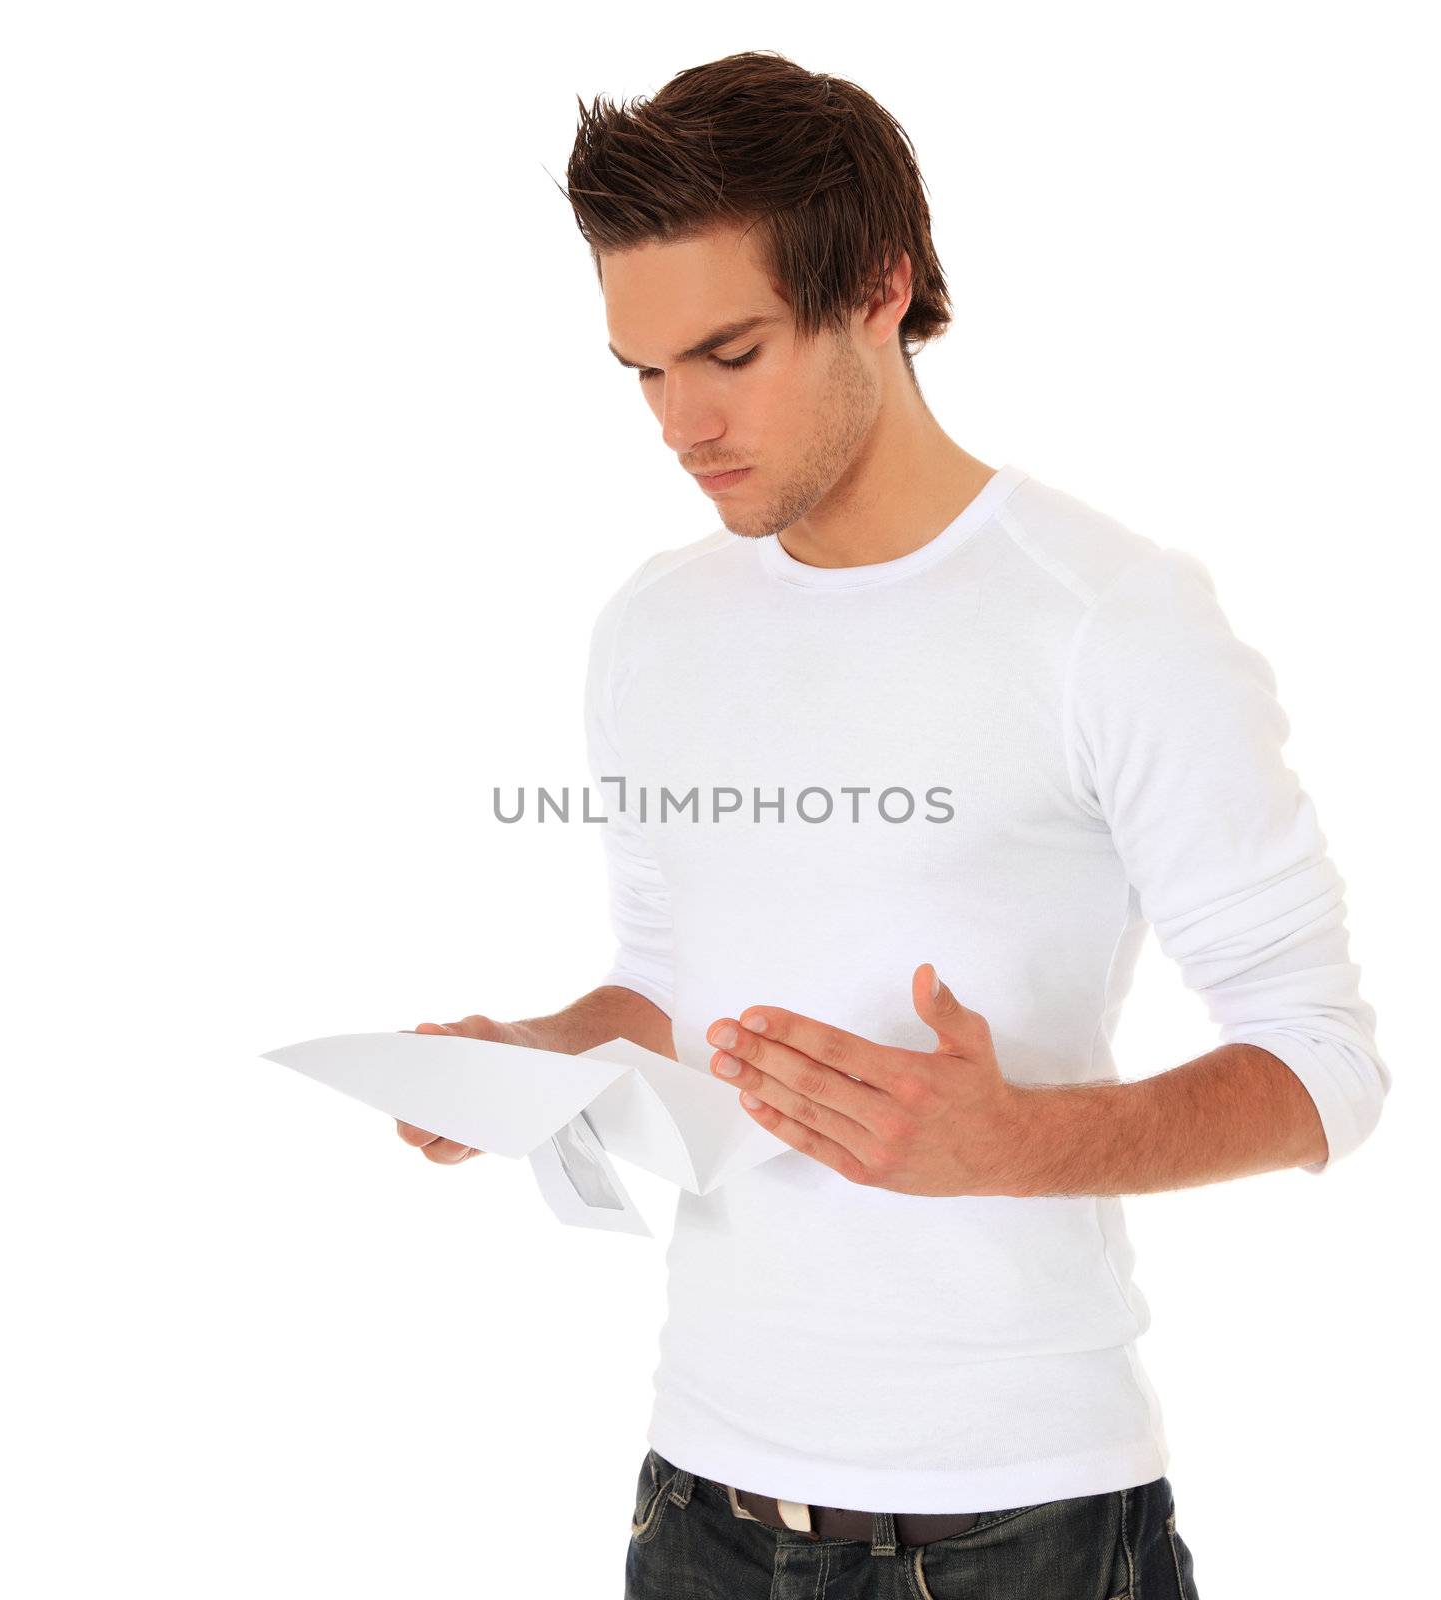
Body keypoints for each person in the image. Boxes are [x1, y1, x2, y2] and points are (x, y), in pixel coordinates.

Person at [397, 50, 1389, 1599]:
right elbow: (667, 979)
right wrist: (541, 1057)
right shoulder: (653, 626)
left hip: (1018, 1525)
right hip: (699, 1504)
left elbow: (1323, 1066)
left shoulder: (1108, 619)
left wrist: (1014, 1143)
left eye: (728, 352)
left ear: (878, 287)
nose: (679, 422)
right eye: (644, 371)